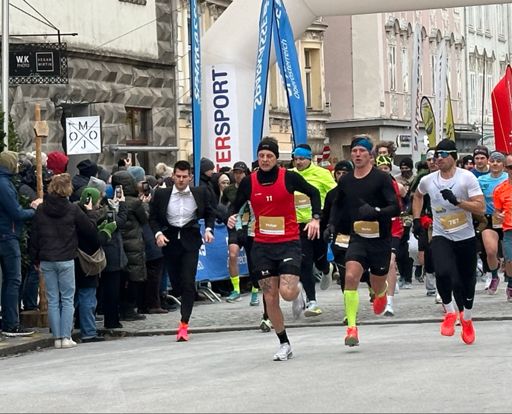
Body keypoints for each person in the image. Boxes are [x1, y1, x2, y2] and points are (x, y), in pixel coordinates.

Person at [227, 137, 321, 361]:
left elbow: (314, 193)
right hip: (262, 245)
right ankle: (284, 343)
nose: (265, 159)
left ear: (276, 158)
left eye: (269, 156)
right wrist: (230, 216)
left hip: (288, 242)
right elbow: (235, 204)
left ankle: (298, 293)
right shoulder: (249, 182)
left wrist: (315, 218)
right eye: (261, 156)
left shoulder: (289, 177)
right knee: (270, 297)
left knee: (286, 293)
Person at [326, 135, 400, 347]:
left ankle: (381, 291)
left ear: (370, 156)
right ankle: (351, 328)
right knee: (350, 276)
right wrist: (331, 224)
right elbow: (337, 205)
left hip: (380, 239)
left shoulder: (382, 178)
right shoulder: (346, 180)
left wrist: (375, 211)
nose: (357, 155)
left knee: (377, 284)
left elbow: (395, 207)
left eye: (362, 151)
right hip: (357, 237)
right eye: (354, 151)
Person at [412, 139, 485, 345]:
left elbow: (480, 207)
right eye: (436, 155)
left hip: (465, 236)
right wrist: (416, 218)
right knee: (442, 272)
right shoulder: (428, 180)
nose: (439, 159)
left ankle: (467, 319)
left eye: (443, 155)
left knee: (466, 281)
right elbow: (417, 196)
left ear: (453, 156)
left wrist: (457, 201)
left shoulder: (466, 178)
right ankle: (450, 312)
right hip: (441, 234)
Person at [149, 160, 216, 342]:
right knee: (177, 284)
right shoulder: (162, 194)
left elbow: (210, 212)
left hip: (190, 240)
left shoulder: (199, 193)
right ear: (172, 176)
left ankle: (184, 324)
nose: (181, 180)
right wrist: (158, 234)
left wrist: (208, 229)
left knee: (188, 282)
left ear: (190, 177)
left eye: (184, 177)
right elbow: (152, 217)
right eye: (178, 176)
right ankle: (181, 298)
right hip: (170, 240)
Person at [30, 173, 97, 348]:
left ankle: (57, 338)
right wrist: (90, 212)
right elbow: (90, 229)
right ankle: (66, 337)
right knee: (67, 299)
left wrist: (35, 259)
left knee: (53, 299)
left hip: (47, 258)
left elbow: (35, 236)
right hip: (66, 258)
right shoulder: (72, 209)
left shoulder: (41, 209)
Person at [291, 144, 336, 317]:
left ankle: (327, 269)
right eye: (296, 159)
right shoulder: (290, 175)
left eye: (302, 159)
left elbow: (335, 195)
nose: (298, 162)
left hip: (318, 222)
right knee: (305, 262)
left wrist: (328, 217)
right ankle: (312, 302)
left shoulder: (322, 174)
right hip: (298, 224)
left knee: (319, 259)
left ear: (309, 159)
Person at [0, 151, 42, 337]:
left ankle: (8, 321)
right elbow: (16, 212)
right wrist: (34, 210)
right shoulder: (4, 184)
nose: (18, 166)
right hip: (7, 236)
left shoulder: (5, 182)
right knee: (13, 279)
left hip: (5, 234)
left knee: (9, 280)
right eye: (16, 162)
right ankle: (11, 324)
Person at [374, 155, 405, 316]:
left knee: (391, 262)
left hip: (394, 228)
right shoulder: (371, 185)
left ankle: (390, 302)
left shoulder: (397, 186)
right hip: (377, 228)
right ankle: (380, 291)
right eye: (381, 169)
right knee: (378, 265)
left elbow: (406, 202)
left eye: (386, 168)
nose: (383, 171)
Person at [477, 151, 507, 294]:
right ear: (489, 162)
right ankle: (494, 276)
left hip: (507, 218)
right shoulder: (481, 180)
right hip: (489, 218)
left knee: (509, 255)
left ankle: (510, 281)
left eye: (498, 161)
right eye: (493, 161)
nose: (495, 164)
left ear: (504, 164)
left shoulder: (508, 178)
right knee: (490, 251)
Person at [492, 153, 512, 302]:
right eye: (511, 167)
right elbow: (497, 211)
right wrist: (498, 216)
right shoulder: (500, 189)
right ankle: (510, 284)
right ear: (505, 168)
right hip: (509, 230)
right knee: (510, 260)